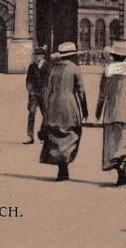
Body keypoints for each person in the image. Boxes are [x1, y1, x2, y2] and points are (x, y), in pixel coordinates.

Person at [96, 45, 126, 186]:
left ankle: (119, 170)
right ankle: (123, 166)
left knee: (113, 144)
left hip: (111, 112)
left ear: (113, 56)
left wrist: (98, 112)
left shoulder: (108, 70)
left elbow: (102, 95)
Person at [40, 42, 88, 182]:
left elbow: (48, 91)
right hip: (69, 105)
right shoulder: (74, 69)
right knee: (70, 134)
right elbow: (81, 91)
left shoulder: (54, 69)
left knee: (55, 135)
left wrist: (47, 108)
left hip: (54, 105)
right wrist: (85, 109)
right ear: (73, 55)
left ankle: (61, 168)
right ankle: (65, 164)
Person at [24, 46, 50, 145]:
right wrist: (30, 91)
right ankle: (30, 136)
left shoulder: (47, 66)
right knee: (31, 113)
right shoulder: (32, 67)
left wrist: (47, 91)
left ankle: (43, 135)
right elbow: (28, 81)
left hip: (43, 94)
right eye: (36, 55)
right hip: (34, 94)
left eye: (39, 55)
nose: (37, 57)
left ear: (43, 56)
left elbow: (49, 81)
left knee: (46, 115)